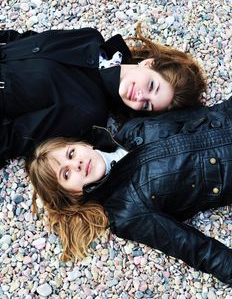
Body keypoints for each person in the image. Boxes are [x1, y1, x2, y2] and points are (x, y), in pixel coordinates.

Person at [28, 97, 232, 285]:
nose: (77, 164)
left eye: (71, 154)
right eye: (66, 174)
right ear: (72, 194)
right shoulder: (126, 211)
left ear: (82, 144)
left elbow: (203, 114)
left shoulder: (131, 129)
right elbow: (195, 248)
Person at [0, 24, 206, 167]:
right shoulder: (90, 39)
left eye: (147, 106)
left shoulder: (87, 110)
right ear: (148, 63)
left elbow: (12, 138)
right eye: (152, 86)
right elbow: (23, 39)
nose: (141, 97)